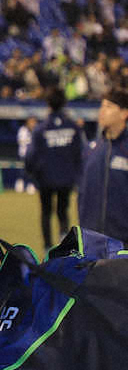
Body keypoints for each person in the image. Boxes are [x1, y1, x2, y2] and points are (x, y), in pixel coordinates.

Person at [25, 88, 84, 249]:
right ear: (64, 103)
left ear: (48, 104)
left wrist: (31, 172)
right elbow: (80, 153)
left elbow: (30, 156)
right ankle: (63, 246)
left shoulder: (41, 128)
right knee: (63, 212)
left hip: (45, 179)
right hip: (66, 178)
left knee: (46, 213)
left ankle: (47, 247)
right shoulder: (73, 127)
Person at [77, 89, 128, 244]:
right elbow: (82, 192)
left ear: (124, 113)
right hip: (91, 240)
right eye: (101, 107)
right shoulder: (92, 149)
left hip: (123, 241)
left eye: (108, 107)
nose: (102, 111)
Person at [15, 115, 38, 193]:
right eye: (31, 122)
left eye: (34, 122)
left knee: (32, 172)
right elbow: (22, 141)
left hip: (33, 154)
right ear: (27, 122)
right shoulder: (23, 130)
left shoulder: (37, 130)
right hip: (23, 154)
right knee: (22, 171)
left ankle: (31, 186)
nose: (33, 123)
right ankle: (20, 186)